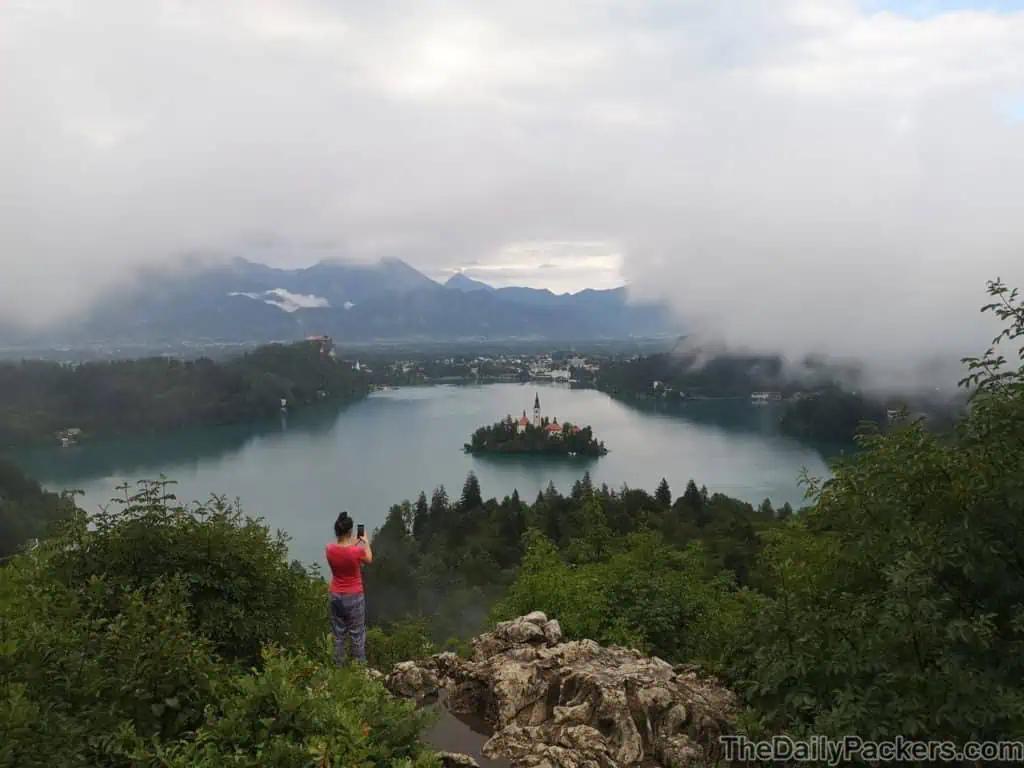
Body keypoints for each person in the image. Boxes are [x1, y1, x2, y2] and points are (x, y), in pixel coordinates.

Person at [325, 511, 372, 665]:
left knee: (338, 635)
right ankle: (359, 670)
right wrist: (365, 541)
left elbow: (343, 549)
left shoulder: (329, 549)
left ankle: (338, 669)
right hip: (354, 596)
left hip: (335, 595)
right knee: (357, 635)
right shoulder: (356, 552)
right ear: (350, 531)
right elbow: (369, 559)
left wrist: (352, 542)